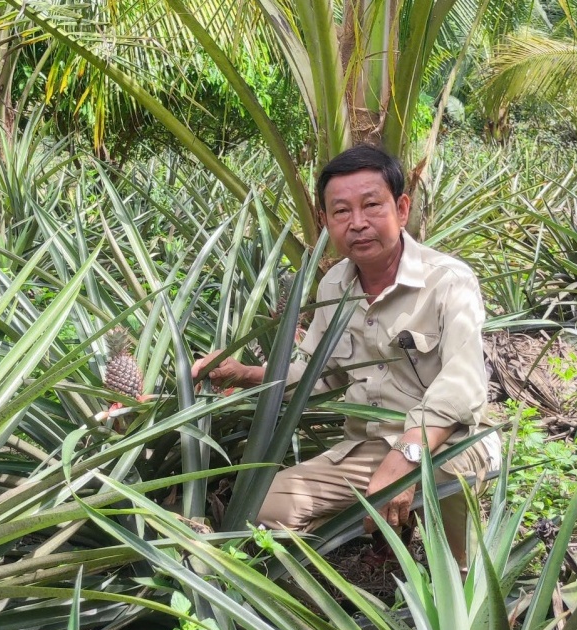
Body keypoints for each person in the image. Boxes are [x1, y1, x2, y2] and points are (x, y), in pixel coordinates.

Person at [190, 144, 499, 565]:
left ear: (401, 209)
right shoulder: (335, 284)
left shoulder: (448, 281)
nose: (357, 223)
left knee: (447, 479)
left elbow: (463, 388)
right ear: (325, 222)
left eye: (372, 205)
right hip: (370, 448)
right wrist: (245, 374)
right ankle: (380, 534)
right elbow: (317, 378)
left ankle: (464, 570)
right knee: (265, 509)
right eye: (341, 211)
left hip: (450, 442)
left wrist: (406, 456)